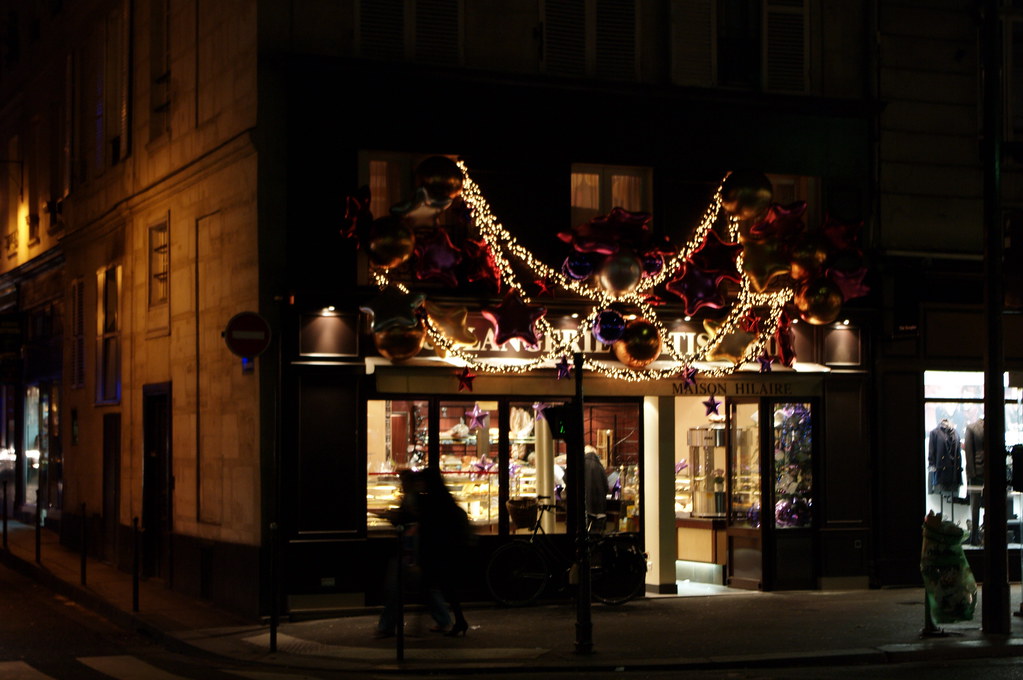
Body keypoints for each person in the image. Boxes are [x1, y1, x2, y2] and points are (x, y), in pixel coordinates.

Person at [374, 470, 452, 638]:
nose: (400, 484)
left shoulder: (415, 498)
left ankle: (387, 626)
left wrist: (389, 516)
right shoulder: (422, 497)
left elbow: (410, 518)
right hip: (415, 548)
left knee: (397, 587)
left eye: (402, 481)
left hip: (412, 548)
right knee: (425, 587)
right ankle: (444, 619)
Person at [414, 466, 474, 637]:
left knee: (431, 587)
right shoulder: (443, 497)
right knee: (444, 587)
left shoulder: (433, 500)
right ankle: (458, 621)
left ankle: (437, 622)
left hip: (439, 550)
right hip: (446, 550)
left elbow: (431, 526)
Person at [584, 445, 610, 533]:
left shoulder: (581, 464)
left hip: (586, 507)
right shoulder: (600, 467)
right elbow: (606, 487)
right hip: (600, 509)